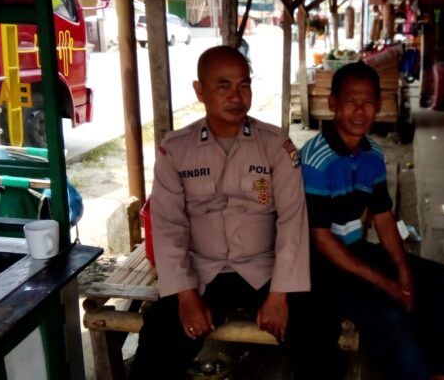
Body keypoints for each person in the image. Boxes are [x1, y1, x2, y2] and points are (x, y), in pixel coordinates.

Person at [131, 46, 337, 379]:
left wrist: (280, 294)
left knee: (319, 338)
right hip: (201, 273)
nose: (236, 96)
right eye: (223, 86)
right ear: (200, 91)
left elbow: (292, 221)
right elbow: (168, 226)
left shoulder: (275, 145)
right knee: (156, 347)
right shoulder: (176, 150)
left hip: (265, 270)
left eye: (244, 85)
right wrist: (185, 295)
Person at [300, 62, 444, 380]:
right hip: (318, 267)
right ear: (333, 103)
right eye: (351, 101)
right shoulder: (315, 160)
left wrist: (403, 268)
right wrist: (387, 283)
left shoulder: (372, 154)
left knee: (436, 278)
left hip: (354, 251)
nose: (360, 111)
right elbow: (322, 241)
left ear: (379, 105)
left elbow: (383, 216)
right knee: (389, 311)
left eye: (368, 102)